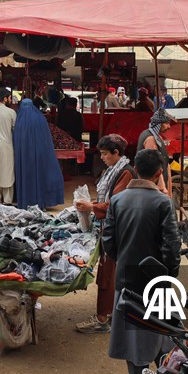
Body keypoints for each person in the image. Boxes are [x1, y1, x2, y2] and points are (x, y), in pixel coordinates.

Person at [102, 149, 181, 374]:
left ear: (135, 167)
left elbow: (108, 242)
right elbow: (172, 246)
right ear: (159, 173)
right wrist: (170, 274)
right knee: (164, 332)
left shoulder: (118, 200)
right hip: (157, 278)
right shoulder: (163, 202)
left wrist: (124, 258)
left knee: (131, 335)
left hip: (126, 276)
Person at [74, 135, 135, 334]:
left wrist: (92, 207)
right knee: (108, 273)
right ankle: (109, 315)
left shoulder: (125, 173)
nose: (102, 157)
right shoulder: (114, 171)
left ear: (117, 153)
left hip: (117, 231)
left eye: (105, 154)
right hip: (111, 229)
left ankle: (103, 318)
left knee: (108, 274)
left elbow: (115, 204)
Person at [13, 99, 65, 208]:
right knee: (40, 176)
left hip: (24, 156)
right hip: (40, 154)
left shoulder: (20, 120)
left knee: (27, 177)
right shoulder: (40, 118)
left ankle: (27, 202)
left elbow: (16, 139)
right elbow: (46, 138)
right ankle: (42, 202)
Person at [136, 109, 174, 194]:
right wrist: (162, 187)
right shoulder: (150, 139)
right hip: (153, 188)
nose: (169, 126)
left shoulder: (155, 136)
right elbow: (154, 165)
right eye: (166, 123)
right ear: (159, 124)